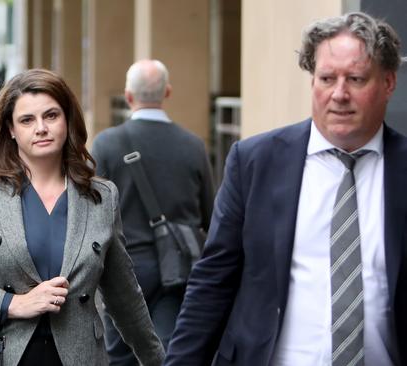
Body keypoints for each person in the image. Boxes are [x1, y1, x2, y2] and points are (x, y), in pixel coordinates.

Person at [165, 12, 407, 366]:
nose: (339, 94)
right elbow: (213, 281)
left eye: (356, 79)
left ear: (388, 83)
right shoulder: (254, 162)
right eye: (327, 78)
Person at [0, 69, 164, 366]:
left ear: (67, 119)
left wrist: (156, 359)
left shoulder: (101, 196)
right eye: (27, 120)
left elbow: (124, 296)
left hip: (77, 357)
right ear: (10, 129)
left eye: (51, 115)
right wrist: (12, 303)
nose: (41, 128)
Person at [91, 59, 213, 365]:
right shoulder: (194, 146)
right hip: (177, 268)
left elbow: (91, 213)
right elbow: (210, 215)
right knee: (166, 353)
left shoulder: (107, 143)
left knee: (120, 353)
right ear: (167, 92)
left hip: (124, 268)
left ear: (129, 96)